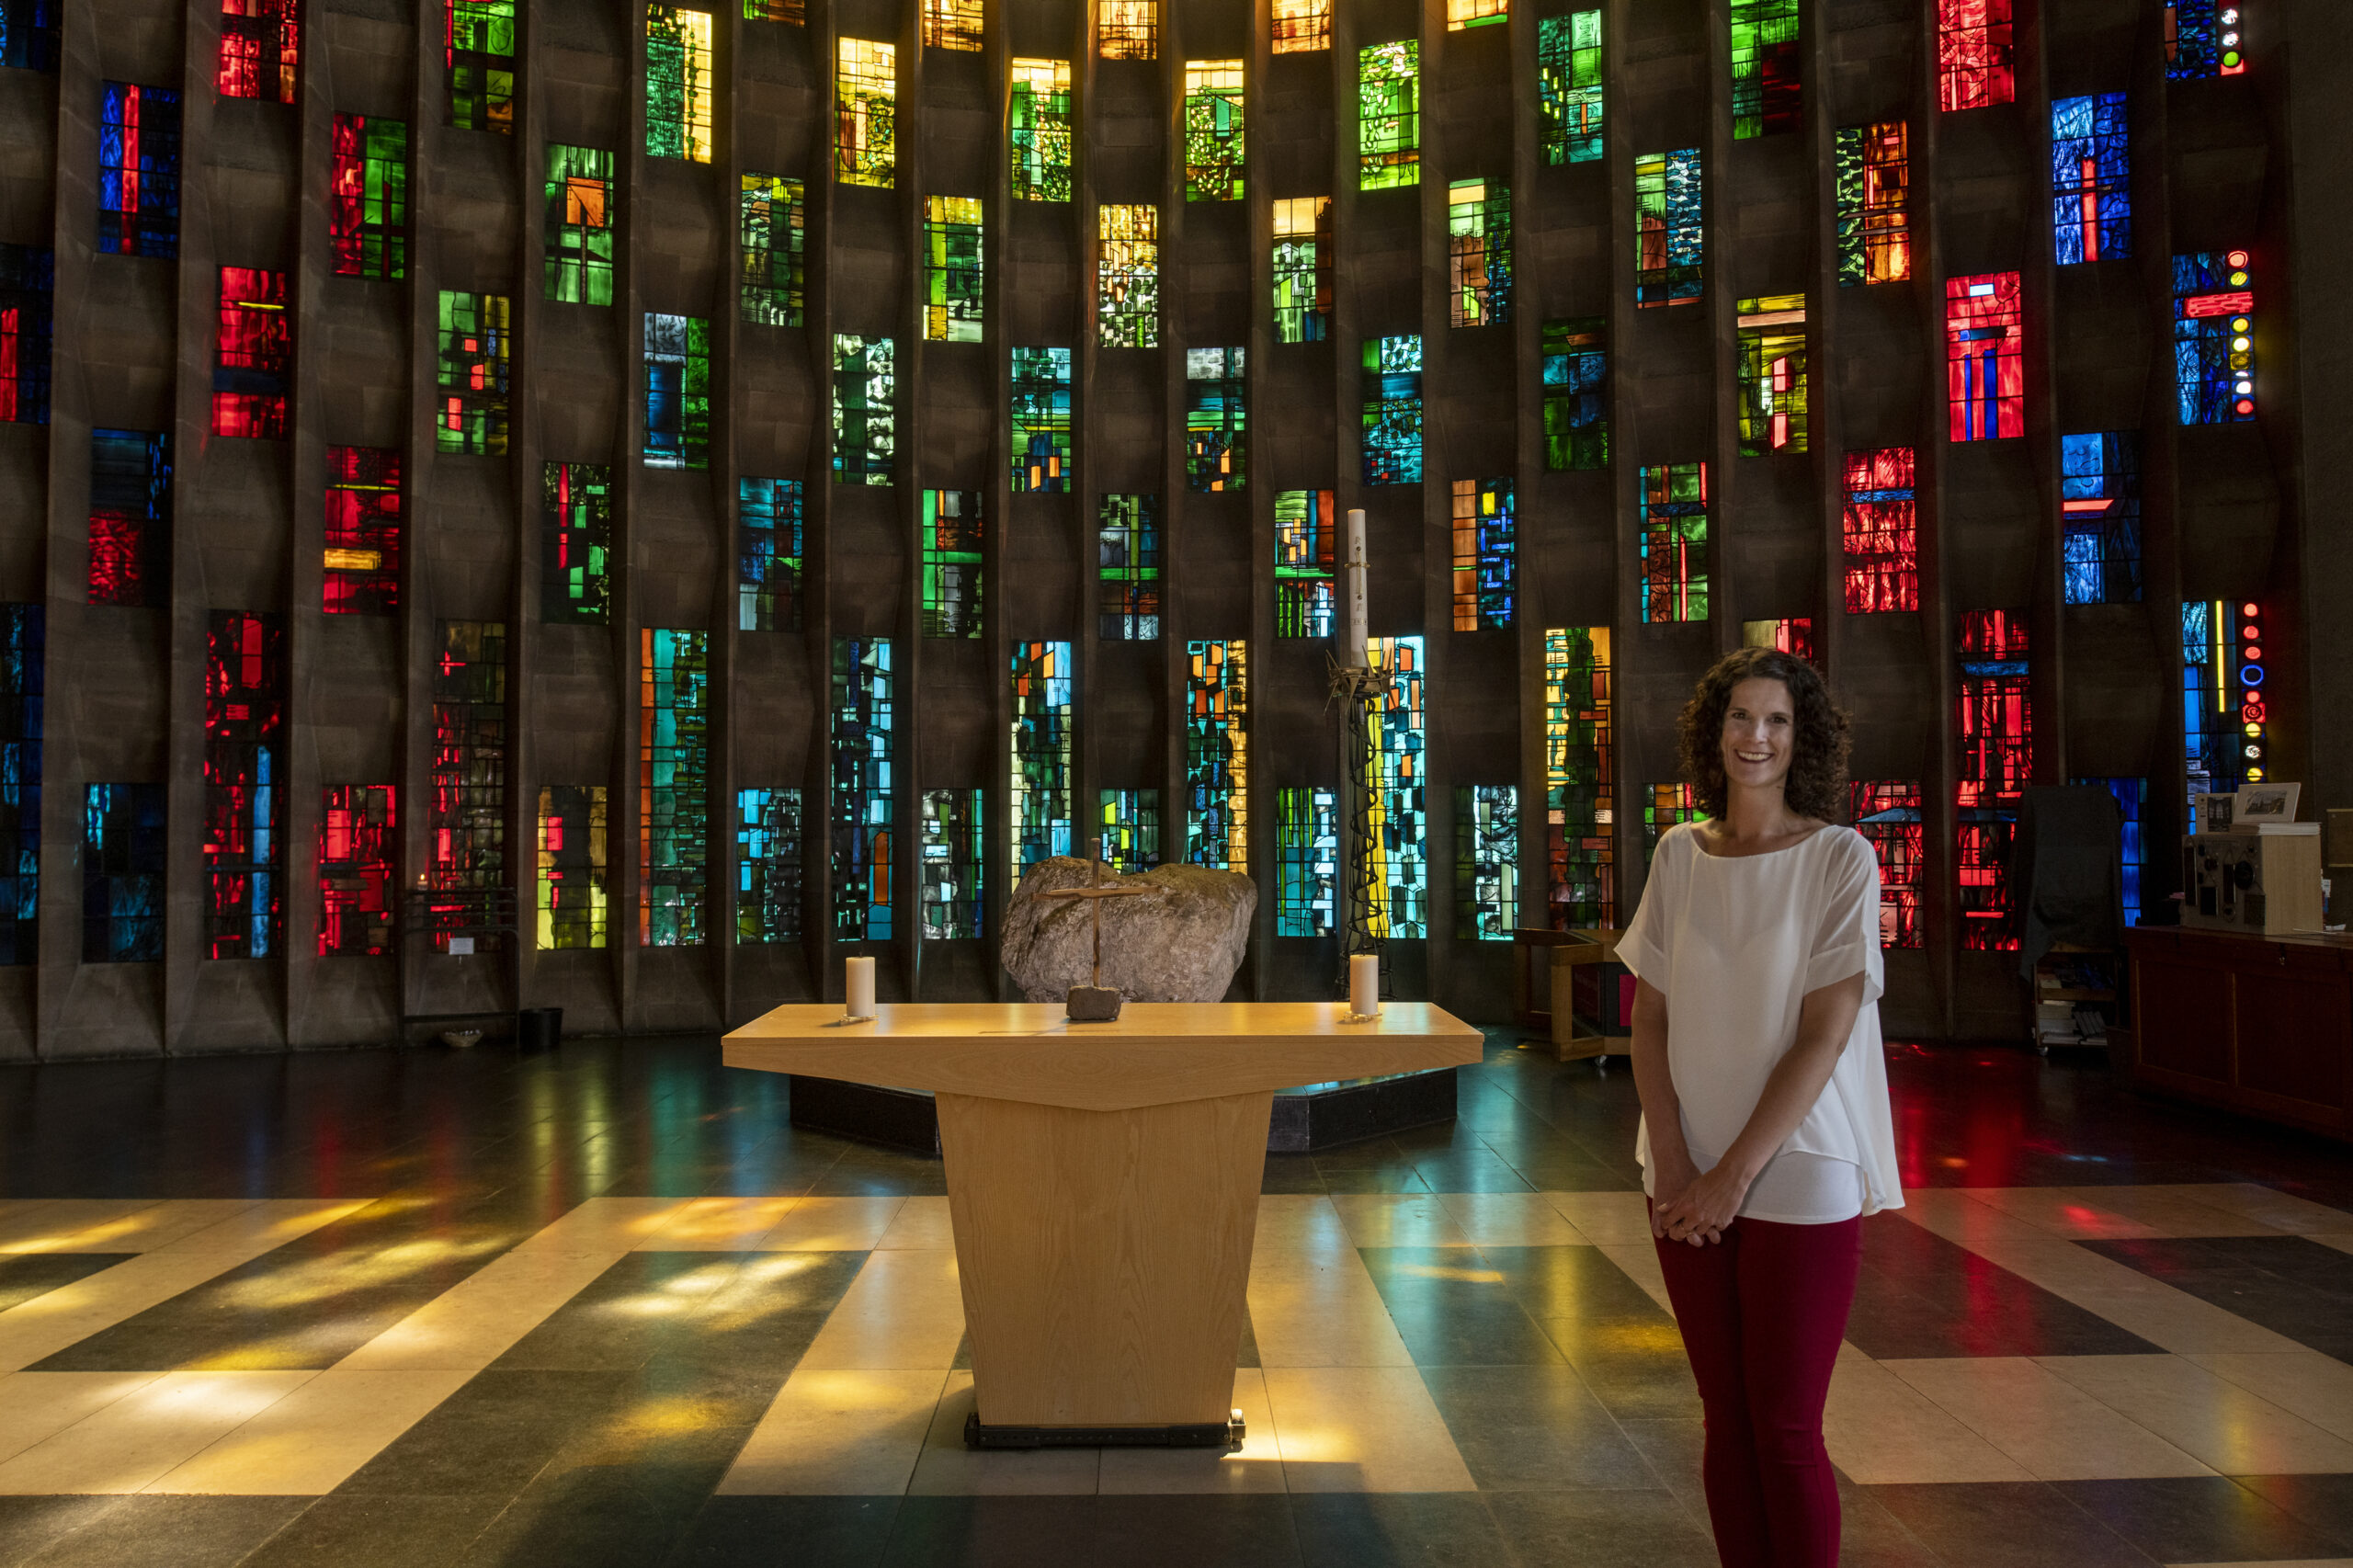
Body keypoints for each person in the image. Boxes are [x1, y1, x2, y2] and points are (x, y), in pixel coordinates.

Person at [1616, 645, 1904, 1568]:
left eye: (1777, 719)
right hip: (1684, 1170)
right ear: (1713, 730)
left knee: (1782, 1426)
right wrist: (1673, 1157)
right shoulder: (1677, 854)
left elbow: (1823, 1032)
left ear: (1802, 736)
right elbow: (1648, 1014)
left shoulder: (1839, 858)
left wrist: (1732, 1175)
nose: (1756, 736)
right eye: (1740, 715)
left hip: (1798, 1166)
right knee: (1724, 1418)